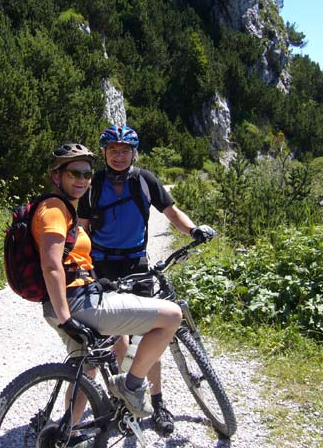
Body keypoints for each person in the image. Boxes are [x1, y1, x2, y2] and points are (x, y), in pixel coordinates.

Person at [78, 125, 215, 435]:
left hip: (137, 263)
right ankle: (121, 391)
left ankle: (157, 401)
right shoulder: (93, 185)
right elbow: (83, 228)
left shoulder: (145, 180)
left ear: (133, 153)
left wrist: (193, 230)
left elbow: (171, 211)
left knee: (150, 335)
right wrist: (83, 267)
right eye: (113, 150)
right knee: (115, 334)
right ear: (104, 154)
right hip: (102, 264)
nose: (119, 155)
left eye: (125, 150)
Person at [32, 143, 182, 419]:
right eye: (74, 174)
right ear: (56, 176)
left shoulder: (65, 208)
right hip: (74, 305)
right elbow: (51, 266)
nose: (82, 180)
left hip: (68, 301)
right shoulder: (54, 210)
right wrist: (67, 319)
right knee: (172, 315)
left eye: (87, 175)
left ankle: (66, 432)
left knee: (86, 371)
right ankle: (131, 385)